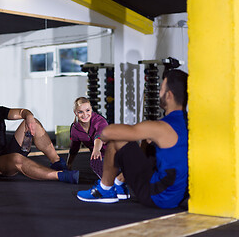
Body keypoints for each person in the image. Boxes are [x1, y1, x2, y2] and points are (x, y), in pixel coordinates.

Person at [77, 69, 188, 209]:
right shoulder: (191, 124)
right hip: (179, 197)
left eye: (161, 90)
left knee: (117, 141)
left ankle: (105, 190)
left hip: (158, 197)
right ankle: (119, 182)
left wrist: (101, 137)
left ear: (169, 95)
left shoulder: (162, 127)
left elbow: (107, 132)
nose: (159, 93)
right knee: (148, 143)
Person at [0, 81, 79, 184]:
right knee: (16, 158)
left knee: (32, 122)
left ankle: (57, 163)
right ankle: (60, 175)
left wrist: (29, 116)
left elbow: (22, 112)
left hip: (8, 151)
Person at [68, 97, 130, 199]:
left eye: (87, 110)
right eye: (80, 112)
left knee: (96, 158)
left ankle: (109, 186)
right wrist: (69, 164)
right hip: (103, 158)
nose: (85, 115)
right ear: (75, 113)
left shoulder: (100, 120)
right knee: (96, 160)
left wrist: (96, 149)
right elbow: (74, 148)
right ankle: (116, 186)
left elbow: (99, 137)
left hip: (116, 154)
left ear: (91, 109)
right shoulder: (75, 129)